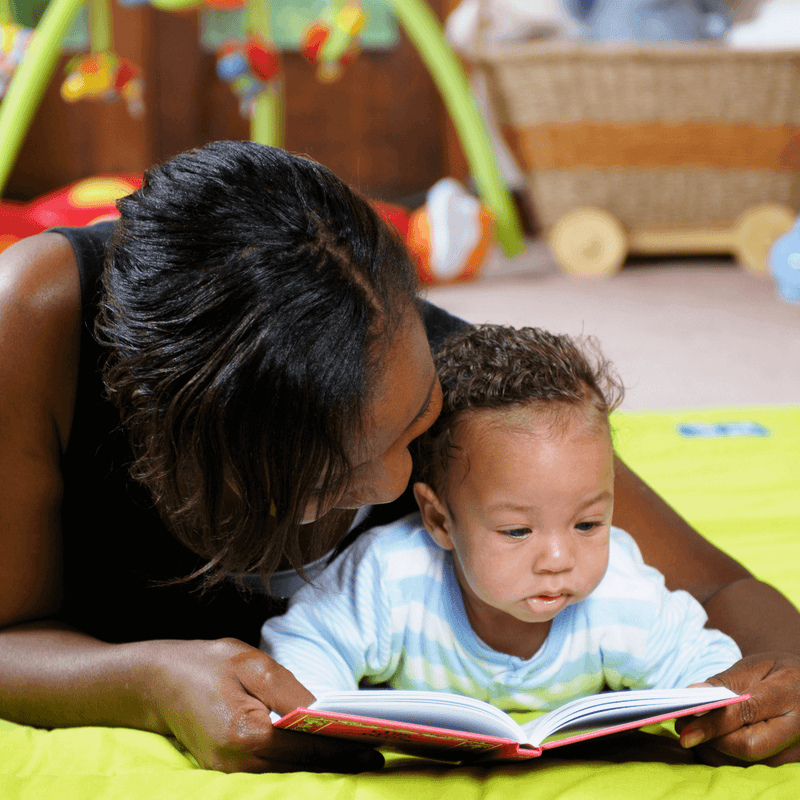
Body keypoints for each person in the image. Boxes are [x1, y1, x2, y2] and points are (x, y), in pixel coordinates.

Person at [0, 141, 798, 774]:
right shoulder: (34, 322)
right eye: (332, 474)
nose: (393, 482)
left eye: (415, 423)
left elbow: (717, 584)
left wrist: (784, 682)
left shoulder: (448, 385)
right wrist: (143, 683)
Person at [260, 325, 743, 720]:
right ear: (439, 520)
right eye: (517, 531)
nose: (559, 559)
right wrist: (323, 719)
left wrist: (716, 710)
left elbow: (704, 661)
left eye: (589, 524)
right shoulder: (392, 576)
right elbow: (308, 643)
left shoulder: (620, 593)